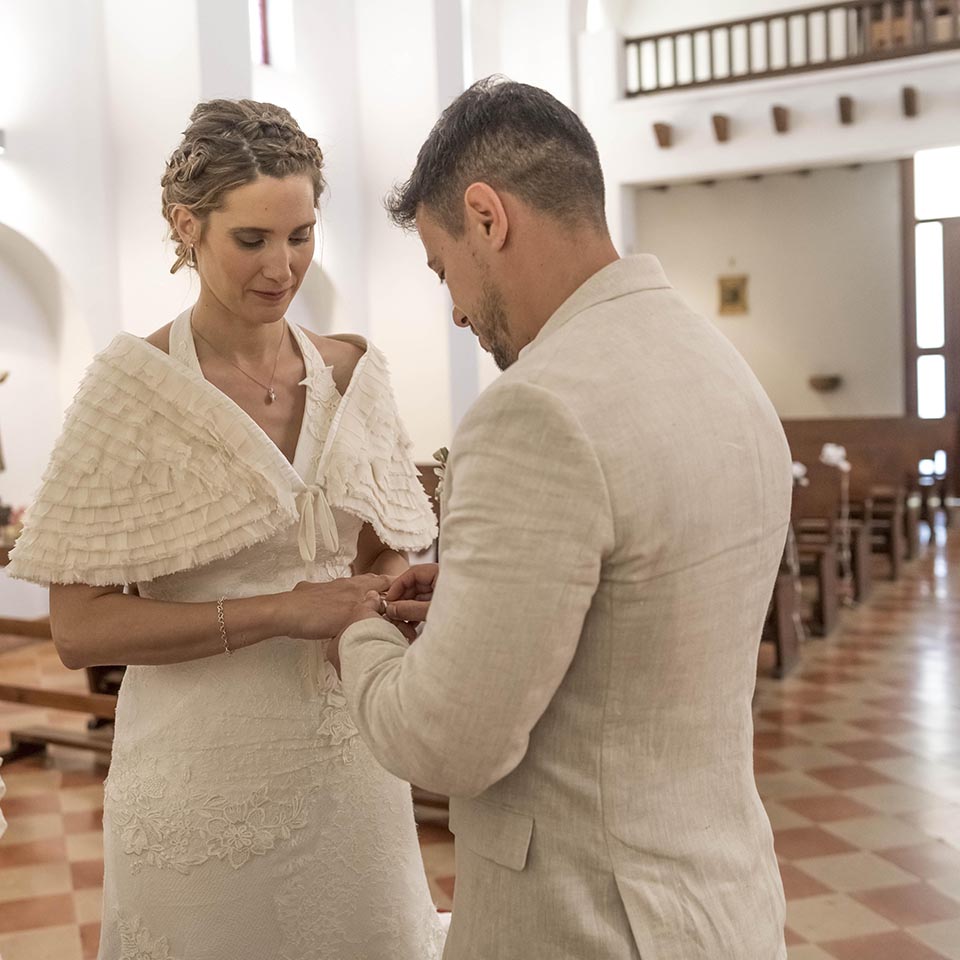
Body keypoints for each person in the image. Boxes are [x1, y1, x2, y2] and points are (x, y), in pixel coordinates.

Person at [334, 78, 792, 960]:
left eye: (443, 270)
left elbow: (450, 740)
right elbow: (633, 613)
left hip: (586, 919)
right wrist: (472, 596)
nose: (457, 309)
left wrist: (361, 628)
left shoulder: (534, 411)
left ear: (486, 216)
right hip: (721, 904)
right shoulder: (722, 368)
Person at [9, 99, 445, 960]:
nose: (283, 267)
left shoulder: (353, 371)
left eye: (302, 234)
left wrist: (379, 597)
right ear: (189, 227)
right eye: (253, 240)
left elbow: (385, 540)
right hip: (195, 787)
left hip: (350, 771)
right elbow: (78, 628)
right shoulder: (130, 389)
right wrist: (284, 610)